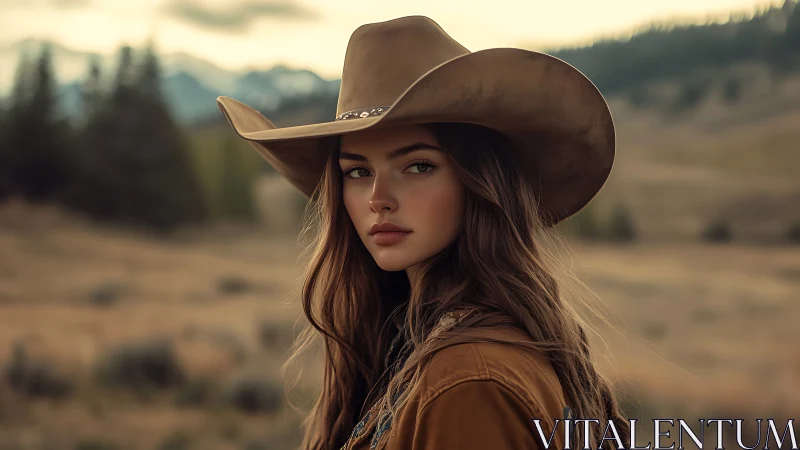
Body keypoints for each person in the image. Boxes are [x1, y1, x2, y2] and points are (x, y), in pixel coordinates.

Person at [216, 15, 631, 450]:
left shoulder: (470, 384)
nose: (378, 197)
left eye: (417, 166)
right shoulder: (414, 345)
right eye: (357, 171)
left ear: (478, 182)